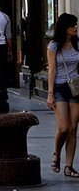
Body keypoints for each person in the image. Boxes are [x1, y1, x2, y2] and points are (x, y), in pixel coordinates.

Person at [46, 12, 79, 178]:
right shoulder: (53, 46)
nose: (76, 27)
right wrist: (50, 93)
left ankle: (69, 167)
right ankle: (57, 153)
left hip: (75, 88)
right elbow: (51, 70)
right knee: (64, 127)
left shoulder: (77, 43)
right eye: (73, 25)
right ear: (65, 28)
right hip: (59, 87)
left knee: (73, 129)